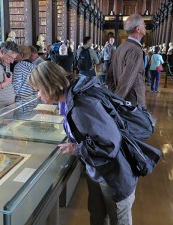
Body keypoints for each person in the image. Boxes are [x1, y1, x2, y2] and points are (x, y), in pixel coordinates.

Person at [28, 61, 137, 225]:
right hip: (98, 169)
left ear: (49, 86)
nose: (38, 95)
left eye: (38, 90)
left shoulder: (81, 105)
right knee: (97, 213)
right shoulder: (72, 96)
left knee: (117, 218)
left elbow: (109, 145)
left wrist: (76, 149)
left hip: (113, 174)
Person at [108, 14, 147, 107]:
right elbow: (127, 79)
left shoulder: (121, 47)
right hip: (133, 102)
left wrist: (112, 95)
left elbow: (110, 76)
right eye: (143, 23)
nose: (145, 26)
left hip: (123, 100)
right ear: (138, 29)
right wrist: (116, 101)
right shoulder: (135, 50)